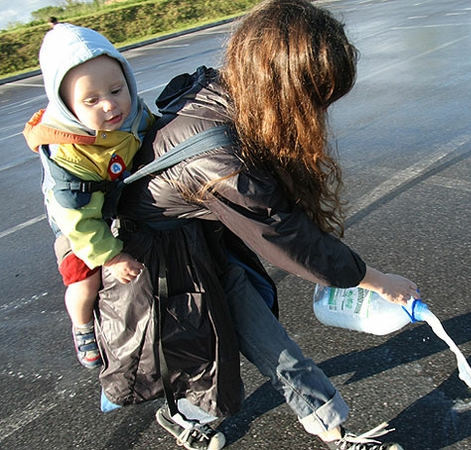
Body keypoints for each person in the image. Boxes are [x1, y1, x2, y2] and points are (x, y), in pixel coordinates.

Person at [97, 1, 418, 449]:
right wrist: (377, 281)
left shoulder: (224, 92)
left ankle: (332, 432)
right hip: (162, 266)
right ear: (284, 85)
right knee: (204, 358)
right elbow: (289, 237)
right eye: (316, 99)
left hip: (201, 242)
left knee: (265, 346)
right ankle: (187, 417)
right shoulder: (220, 164)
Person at [23, 24, 152, 369]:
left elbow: (151, 129)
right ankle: (81, 328)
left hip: (110, 199)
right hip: (76, 220)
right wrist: (110, 257)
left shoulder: (133, 114)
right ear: (67, 106)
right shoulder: (68, 153)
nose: (111, 105)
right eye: (92, 100)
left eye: (116, 89)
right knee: (85, 278)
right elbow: (75, 218)